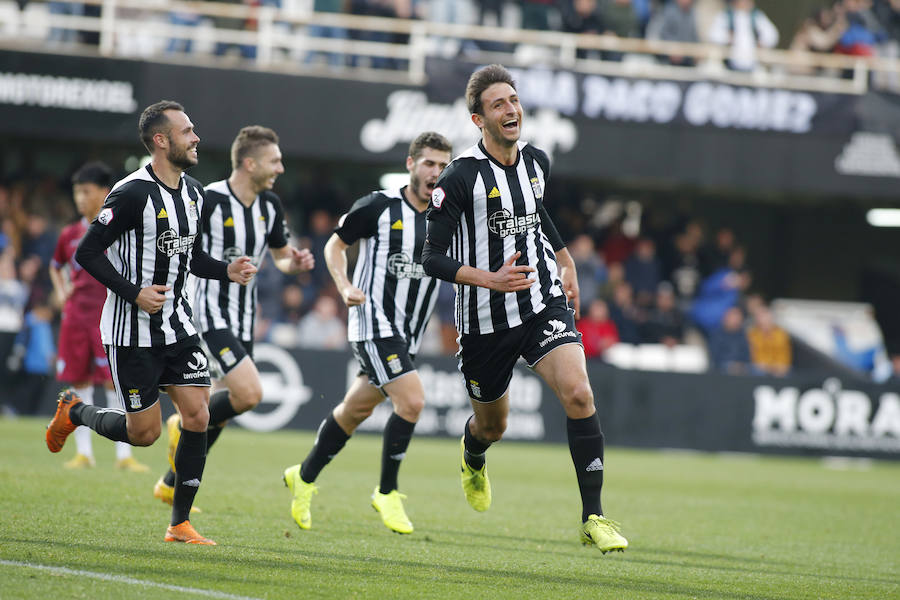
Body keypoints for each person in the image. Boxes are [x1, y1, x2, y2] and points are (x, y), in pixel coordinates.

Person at [421, 64, 627, 553]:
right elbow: (431, 258)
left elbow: (536, 215)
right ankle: (474, 454)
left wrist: (565, 258)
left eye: (513, 99)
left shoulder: (537, 162)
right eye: (498, 104)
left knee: (579, 392)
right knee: (494, 426)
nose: (511, 109)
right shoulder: (459, 178)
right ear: (478, 120)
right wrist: (488, 279)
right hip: (484, 323)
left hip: (541, 302)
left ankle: (593, 516)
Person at [44, 100, 258, 545]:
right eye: (187, 131)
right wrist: (134, 292)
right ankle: (76, 411)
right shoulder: (131, 192)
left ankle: (179, 523)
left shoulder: (195, 192)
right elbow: (86, 252)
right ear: (161, 141)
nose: (196, 137)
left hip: (179, 326)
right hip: (131, 333)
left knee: (198, 415)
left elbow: (192, 258)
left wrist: (226, 270)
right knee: (144, 434)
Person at [283, 131, 452, 534]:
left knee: (355, 410)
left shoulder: (448, 217)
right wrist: (343, 286)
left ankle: (303, 477)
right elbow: (335, 247)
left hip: (408, 333)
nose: (436, 172)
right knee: (412, 401)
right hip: (372, 322)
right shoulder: (378, 205)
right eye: (429, 163)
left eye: (444, 166)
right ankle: (387, 491)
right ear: (411, 165)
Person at [152, 125, 314, 509]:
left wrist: (298, 261)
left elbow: (280, 257)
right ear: (249, 162)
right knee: (250, 393)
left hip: (243, 320)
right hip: (207, 314)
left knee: (220, 411)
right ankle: (177, 427)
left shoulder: (270, 205)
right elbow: (184, 252)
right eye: (275, 161)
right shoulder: (207, 199)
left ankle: (171, 482)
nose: (281, 168)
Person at [49, 161, 149, 472]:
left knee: (113, 383)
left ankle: (124, 456)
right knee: (80, 379)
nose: (80, 198)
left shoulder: (116, 227)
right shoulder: (69, 234)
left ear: (104, 192)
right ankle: (84, 453)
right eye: (77, 192)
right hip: (77, 316)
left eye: (86, 191)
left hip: (109, 315)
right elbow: (56, 266)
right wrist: (63, 289)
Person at [707, 0, 779, 72]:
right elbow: (713, 35)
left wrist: (761, 42)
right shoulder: (727, 15)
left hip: (753, 63)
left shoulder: (756, 16)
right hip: (730, 63)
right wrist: (728, 37)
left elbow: (772, 35)